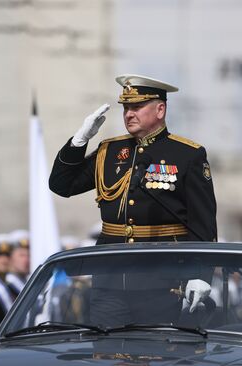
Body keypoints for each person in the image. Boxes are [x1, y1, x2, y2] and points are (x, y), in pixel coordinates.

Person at [48, 74, 217, 319]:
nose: (129, 114)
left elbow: (203, 222)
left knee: (154, 353)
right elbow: (62, 185)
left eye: (137, 107)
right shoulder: (110, 150)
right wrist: (79, 141)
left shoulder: (186, 155)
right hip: (110, 278)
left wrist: (201, 274)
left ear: (160, 109)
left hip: (161, 279)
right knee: (106, 353)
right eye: (126, 108)